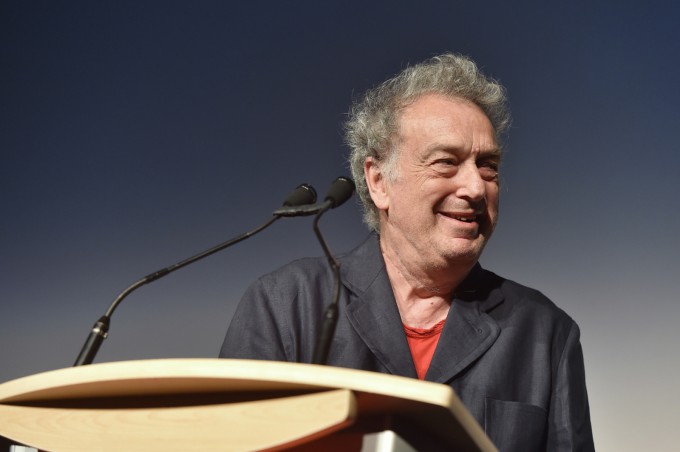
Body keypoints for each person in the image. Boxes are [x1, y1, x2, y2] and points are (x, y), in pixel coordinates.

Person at [220, 53, 594, 451]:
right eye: (446, 163)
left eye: (488, 166)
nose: (475, 187)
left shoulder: (546, 332)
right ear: (379, 181)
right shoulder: (286, 305)